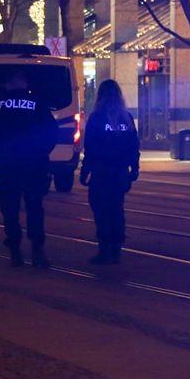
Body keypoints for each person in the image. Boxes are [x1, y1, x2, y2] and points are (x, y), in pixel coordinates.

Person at [0, 69, 59, 268]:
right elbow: (52, 132)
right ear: (25, 84)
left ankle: (15, 250)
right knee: (35, 206)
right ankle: (37, 250)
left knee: (10, 209)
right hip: (34, 164)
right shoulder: (38, 104)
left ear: (8, 84)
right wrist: (43, 152)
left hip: (8, 164)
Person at [79, 80, 140, 265]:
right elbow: (133, 144)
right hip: (120, 172)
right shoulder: (126, 119)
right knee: (116, 208)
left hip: (101, 171)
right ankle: (116, 248)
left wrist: (85, 170)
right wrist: (134, 168)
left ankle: (104, 248)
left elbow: (90, 147)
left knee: (101, 210)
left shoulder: (97, 118)